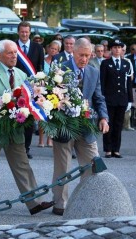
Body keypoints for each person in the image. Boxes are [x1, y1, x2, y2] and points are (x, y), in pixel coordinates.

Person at [0, 39, 54, 215]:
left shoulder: (21, 74)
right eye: (10, 53)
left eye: (15, 52)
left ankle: (34, 203)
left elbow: (29, 99)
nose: (14, 56)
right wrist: (9, 109)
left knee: (23, 166)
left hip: (16, 128)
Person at [51, 38, 109, 216]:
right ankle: (60, 204)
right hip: (64, 126)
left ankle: (87, 201)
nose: (84, 59)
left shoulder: (93, 72)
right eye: (81, 55)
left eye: (87, 55)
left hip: (86, 126)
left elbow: (98, 98)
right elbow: (49, 96)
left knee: (93, 164)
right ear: (73, 52)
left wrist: (104, 117)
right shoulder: (60, 69)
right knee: (63, 168)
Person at [15, 21, 44, 159]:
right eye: (22, 32)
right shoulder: (13, 46)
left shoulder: (37, 47)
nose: (24, 34)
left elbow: (40, 68)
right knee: (15, 117)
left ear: (30, 32)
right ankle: (15, 147)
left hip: (32, 89)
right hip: (15, 86)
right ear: (18, 32)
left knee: (29, 120)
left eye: (27, 32)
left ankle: (26, 148)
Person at [100, 40, 133, 158]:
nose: (117, 49)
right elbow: (102, 82)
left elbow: (128, 82)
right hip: (109, 98)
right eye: (115, 47)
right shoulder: (105, 63)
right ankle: (108, 149)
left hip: (122, 98)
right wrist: (102, 98)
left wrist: (130, 99)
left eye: (119, 47)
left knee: (119, 125)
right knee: (108, 124)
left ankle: (116, 149)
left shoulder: (126, 63)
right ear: (111, 49)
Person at [39, 40, 60, 148]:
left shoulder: (59, 62)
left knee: (52, 115)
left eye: (56, 49)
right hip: (43, 90)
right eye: (52, 48)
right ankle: (41, 140)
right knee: (42, 115)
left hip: (55, 91)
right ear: (48, 49)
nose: (53, 50)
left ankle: (50, 139)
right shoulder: (43, 60)